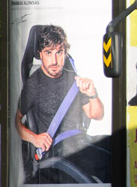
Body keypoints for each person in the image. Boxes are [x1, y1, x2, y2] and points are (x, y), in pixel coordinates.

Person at [16, 24, 105, 179]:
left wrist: (92, 94)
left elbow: (96, 115)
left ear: (65, 53)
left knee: (116, 148)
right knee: (107, 163)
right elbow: (15, 122)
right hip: (57, 151)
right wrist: (34, 138)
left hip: (80, 141)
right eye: (48, 53)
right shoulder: (33, 84)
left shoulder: (73, 78)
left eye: (59, 52)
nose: (54, 60)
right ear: (40, 54)